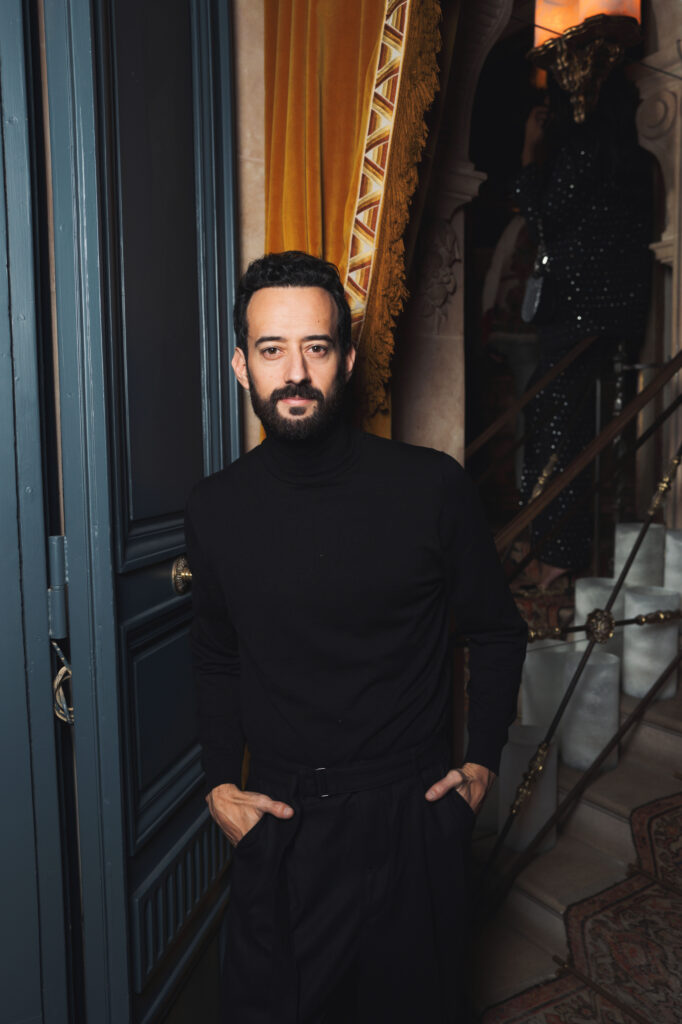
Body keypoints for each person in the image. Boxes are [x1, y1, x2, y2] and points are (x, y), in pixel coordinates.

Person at [185, 250, 527, 1023]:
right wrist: (218, 782)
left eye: (316, 347)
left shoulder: (429, 486)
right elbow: (215, 655)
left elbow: (496, 631)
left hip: (410, 821)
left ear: (344, 359)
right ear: (241, 366)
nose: (295, 372)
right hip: (280, 823)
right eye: (271, 349)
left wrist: (480, 762)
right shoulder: (214, 508)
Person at [515, 70, 652, 588]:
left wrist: (530, 152)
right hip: (616, 314)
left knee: (555, 428)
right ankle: (551, 547)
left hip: (577, 316)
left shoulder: (582, 152)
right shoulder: (631, 156)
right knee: (568, 426)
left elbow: (542, 220)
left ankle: (557, 557)